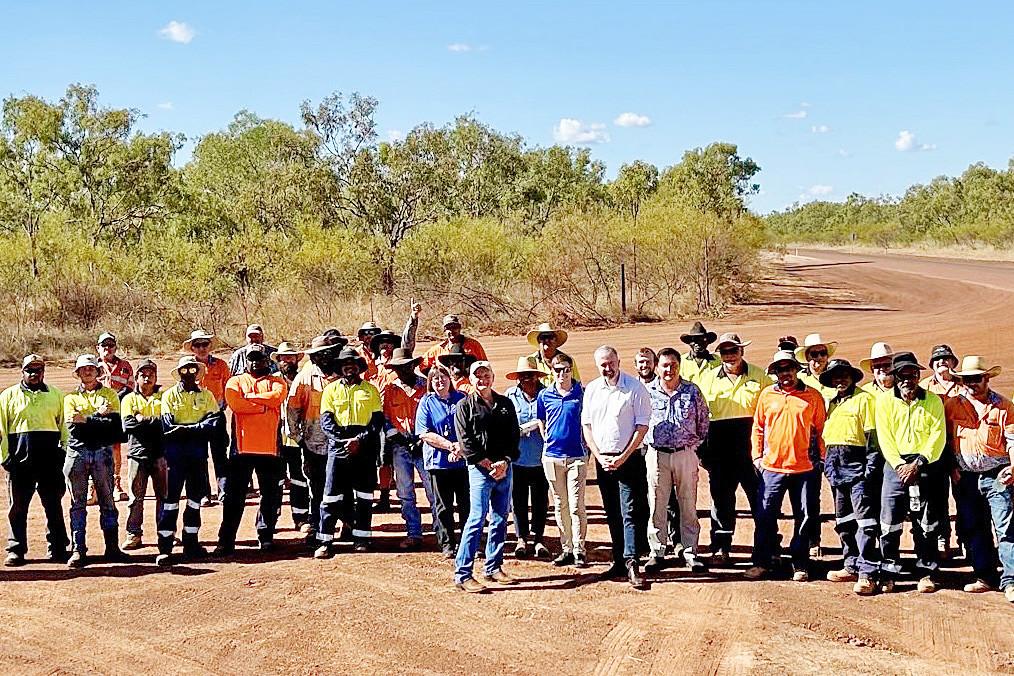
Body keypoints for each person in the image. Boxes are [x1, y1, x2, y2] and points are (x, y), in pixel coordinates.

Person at [746, 349, 826, 582]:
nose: (785, 374)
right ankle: (763, 561)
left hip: (804, 468)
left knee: (805, 516)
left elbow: (821, 430)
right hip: (772, 468)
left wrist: (820, 458)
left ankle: (800, 563)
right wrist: (757, 457)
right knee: (765, 516)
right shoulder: (767, 395)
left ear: (796, 370)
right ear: (775, 373)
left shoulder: (812, 396)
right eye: (780, 369)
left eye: (789, 368)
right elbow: (758, 428)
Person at [875, 351, 947, 593]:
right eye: (902, 374)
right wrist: (899, 466)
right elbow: (885, 438)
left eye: (912, 373)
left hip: (926, 466)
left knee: (927, 522)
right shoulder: (884, 401)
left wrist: (919, 463)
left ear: (918, 375)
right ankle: (889, 571)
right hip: (895, 467)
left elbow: (938, 436)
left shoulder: (933, 400)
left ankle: (926, 571)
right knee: (890, 522)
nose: (908, 379)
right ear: (895, 377)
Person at [944, 356, 1014, 602]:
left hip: (998, 475)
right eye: (967, 380)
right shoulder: (951, 405)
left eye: (977, 379)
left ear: (987, 379)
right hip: (966, 477)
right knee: (975, 527)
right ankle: (984, 576)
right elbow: (946, 440)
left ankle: (1010, 580)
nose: (972, 384)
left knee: (1005, 527)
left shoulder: (1004, 406)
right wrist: (952, 466)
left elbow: (1013, 441)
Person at [582, 345, 652, 589]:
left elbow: (642, 426)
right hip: (603, 461)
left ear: (618, 361)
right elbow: (587, 426)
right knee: (612, 511)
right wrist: (599, 456)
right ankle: (619, 561)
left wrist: (624, 455)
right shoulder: (591, 390)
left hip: (629, 459)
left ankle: (633, 562)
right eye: (602, 364)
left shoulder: (634, 388)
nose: (607, 367)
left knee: (629, 511)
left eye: (611, 362)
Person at [697, 333, 767, 565]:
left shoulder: (760, 376)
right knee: (721, 502)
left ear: (741, 351)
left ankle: (767, 546)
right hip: (719, 448)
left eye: (733, 351)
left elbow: (770, 413)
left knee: (760, 500)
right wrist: (703, 452)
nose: (729, 356)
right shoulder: (707, 379)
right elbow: (699, 416)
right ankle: (720, 547)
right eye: (725, 352)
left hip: (751, 448)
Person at [453, 361, 521, 593]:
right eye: (477, 376)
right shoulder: (464, 406)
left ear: (493, 377)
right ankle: (463, 574)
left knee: (501, 518)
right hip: (480, 470)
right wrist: (487, 463)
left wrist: (505, 461)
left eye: (486, 375)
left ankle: (493, 567)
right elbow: (466, 441)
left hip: (504, 468)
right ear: (470, 380)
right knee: (476, 519)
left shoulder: (505, 404)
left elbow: (514, 436)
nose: (482, 379)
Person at [216, 345, 288, 554]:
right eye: (252, 359)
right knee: (234, 497)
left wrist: (249, 399)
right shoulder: (235, 381)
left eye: (260, 359)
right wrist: (263, 407)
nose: (256, 363)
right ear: (246, 362)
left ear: (268, 361)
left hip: (270, 450)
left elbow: (276, 398)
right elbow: (236, 405)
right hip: (242, 449)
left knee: (270, 495)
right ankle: (226, 540)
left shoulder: (277, 381)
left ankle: (265, 536)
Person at [313, 347, 385, 557]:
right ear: (340, 368)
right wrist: (344, 441)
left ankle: (361, 538)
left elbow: (377, 421)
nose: (350, 367)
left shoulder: (370, 390)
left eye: (353, 364)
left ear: (359, 367)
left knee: (363, 495)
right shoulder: (331, 389)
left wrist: (359, 440)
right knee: (330, 496)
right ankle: (325, 541)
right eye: (346, 364)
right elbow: (326, 422)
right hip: (338, 447)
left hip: (364, 446)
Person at [644, 348, 709, 573]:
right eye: (664, 365)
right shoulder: (647, 391)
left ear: (679, 366)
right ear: (657, 367)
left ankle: (691, 551)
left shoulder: (692, 391)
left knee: (688, 504)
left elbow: (703, 423)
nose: (669, 369)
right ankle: (657, 551)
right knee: (656, 504)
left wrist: (692, 447)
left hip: (684, 454)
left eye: (673, 365)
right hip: (656, 454)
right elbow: (640, 421)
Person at [0, 355, 69, 566]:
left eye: (38, 370)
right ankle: (16, 549)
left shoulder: (56, 395)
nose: (34, 374)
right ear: (22, 371)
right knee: (17, 508)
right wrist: (5, 459)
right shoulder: (8, 395)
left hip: (49, 462)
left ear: (43, 372)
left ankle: (58, 547)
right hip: (19, 462)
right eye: (29, 370)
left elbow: (64, 427)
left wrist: (63, 453)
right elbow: (1, 429)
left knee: (53, 505)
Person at [819, 359, 880, 595]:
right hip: (836, 466)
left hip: (857, 466)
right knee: (844, 520)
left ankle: (867, 573)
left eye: (844, 375)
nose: (840, 380)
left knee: (865, 522)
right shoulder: (832, 403)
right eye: (835, 377)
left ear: (852, 377)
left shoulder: (865, 399)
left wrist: (868, 471)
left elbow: (871, 439)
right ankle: (850, 564)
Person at [63, 354, 129, 568]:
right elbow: (73, 428)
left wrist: (86, 419)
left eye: (92, 368)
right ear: (78, 373)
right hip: (78, 453)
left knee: (108, 502)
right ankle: (78, 550)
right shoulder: (70, 398)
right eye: (84, 369)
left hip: (102, 452)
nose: (88, 371)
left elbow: (114, 427)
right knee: (78, 504)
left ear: (97, 371)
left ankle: (112, 548)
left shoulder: (110, 394)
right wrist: (98, 417)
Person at [158, 356, 223, 567]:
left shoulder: (206, 395)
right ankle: (165, 548)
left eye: (192, 370)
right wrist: (197, 428)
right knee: (170, 502)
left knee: (195, 501)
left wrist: (186, 429)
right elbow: (168, 428)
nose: (188, 374)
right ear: (179, 372)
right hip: (174, 457)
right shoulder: (168, 396)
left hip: (197, 456)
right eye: (184, 370)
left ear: (197, 372)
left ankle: (191, 543)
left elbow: (213, 423)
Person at [286, 335, 343, 543]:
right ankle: (318, 529)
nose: (324, 358)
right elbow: (292, 410)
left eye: (327, 353)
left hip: (340, 442)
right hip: (313, 444)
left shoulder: (343, 373)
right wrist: (299, 439)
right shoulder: (305, 377)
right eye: (319, 355)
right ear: (314, 357)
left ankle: (347, 525)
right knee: (317, 488)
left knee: (343, 486)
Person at [380, 348, 436, 550]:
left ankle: (440, 531)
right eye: (398, 368)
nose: (402, 371)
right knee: (405, 492)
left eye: (406, 366)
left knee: (433, 490)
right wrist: (402, 441)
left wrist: (422, 439)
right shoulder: (389, 390)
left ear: (413, 365)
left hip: (426, 444)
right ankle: (414, 532)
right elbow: (386, 420)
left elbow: (433, 415)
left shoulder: (427, 388)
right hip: (400, 446)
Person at [537, 353, 588, 567]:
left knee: (576, 504)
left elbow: (588, 420)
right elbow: (541, 418)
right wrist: (546, 437)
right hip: (552, 457)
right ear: (552, 371)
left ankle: (579, 549)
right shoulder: (545, 395)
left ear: (571, 370)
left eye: (566, 369)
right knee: (560, 504)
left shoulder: (581, 393)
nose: (562, 374)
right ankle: (566, 547)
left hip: (577, 455)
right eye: (557, 370)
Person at [416, 364, 469, 559]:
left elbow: (471, 427)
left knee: (466, 504)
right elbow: (424, 433)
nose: (440, 381)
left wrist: (460, 447)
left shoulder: (462, 399)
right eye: (435, 378)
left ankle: (467, 541)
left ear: (450, 379)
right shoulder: (426, 402)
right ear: (430, 382)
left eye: (443, 377)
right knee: (443, 506)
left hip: (462, 462)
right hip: (438, 463)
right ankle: (447, 544)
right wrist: (450, 446)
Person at [505, 356, 550, 560]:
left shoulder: (547, 394)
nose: (526, 379)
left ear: (536, 376)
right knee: (519, 500)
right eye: (522, 376)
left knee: (541, 500)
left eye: (530, 375)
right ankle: (521, 537)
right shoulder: (510, 396)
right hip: (517, 457)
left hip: (542, 457)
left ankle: (539, 538)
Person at [119, 359, 167, 551]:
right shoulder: (129, 399)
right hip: (137, 455)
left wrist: (143, 419)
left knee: (163, 497)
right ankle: (133, 534)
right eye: (143, 375)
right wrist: (153, 422)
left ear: (156, 378)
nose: (147, 379)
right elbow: (128, 426)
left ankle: (165, 532)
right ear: (136, 378)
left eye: (151, 375)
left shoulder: (164, 398)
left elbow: (167, 424)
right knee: (134, 499)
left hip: (160, 455)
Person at [921, 344, 961, 558]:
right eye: (937, 359)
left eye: (946, 358)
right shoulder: (924, 386)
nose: (942, 362)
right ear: (931, 365)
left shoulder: (964, 386)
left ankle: (964, 539)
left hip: (959, 448)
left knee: (964, 496)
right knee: (937, 497)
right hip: (933, 448)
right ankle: (941, 538)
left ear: (954, 362)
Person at [183, 329, 231, 505]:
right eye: (197, 345)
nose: (202, 348)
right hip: (195, 418)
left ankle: (224, 491)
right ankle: (203, 494)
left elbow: (228, 388)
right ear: (192, 348)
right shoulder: (187, 366)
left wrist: (221, 407)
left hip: (216, 416)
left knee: (220, 455)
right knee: (199, 456)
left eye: (205, 344)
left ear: (210, 346)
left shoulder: (221, 365)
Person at [272, 342, 310, 531]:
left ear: (297, 359)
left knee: (299, 479)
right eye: (283, 357)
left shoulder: (305, 379)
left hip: (298, 438)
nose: (287, 360)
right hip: (274, 439)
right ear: (278, 360)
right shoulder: (271, 381)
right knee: (274, 481)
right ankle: (270, 521)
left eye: (291, 357)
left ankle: (301, 518)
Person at [96, 331, 133, 502]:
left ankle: (116, 484)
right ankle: (94, 488)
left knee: (115, 448)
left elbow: (131, 386)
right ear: (98, 348)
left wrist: (116, 399)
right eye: (104, 345)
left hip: (117, 413)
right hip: (97, 412)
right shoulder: (92, 366)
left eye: (111, 345)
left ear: (115, 347)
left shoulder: (125, 366)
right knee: (95, 448)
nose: (107, 348)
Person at [370, 329, 402, 512]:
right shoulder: (371, 366)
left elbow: (408, 341)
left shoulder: (398, 365)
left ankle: (385, 496)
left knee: (386, 459)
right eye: (381, 342)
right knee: (375, 458)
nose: (385, 345)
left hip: (393, 417)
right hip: (372, 418)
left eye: (389, 342)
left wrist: (413, 319)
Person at [420, 314, 488, 373]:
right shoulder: (437, 349)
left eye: (454, 327)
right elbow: (423, 364)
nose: (452, 331)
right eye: (448, 328)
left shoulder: (474, 345)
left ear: (459, 328)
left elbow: (485, 366)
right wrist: (434, 377)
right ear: (444, 331)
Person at [794, 334, 838, 400]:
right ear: (807, 357)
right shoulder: (799, 378)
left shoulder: (837, 376)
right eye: (814, 354)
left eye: (822, 353)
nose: (819, 357)